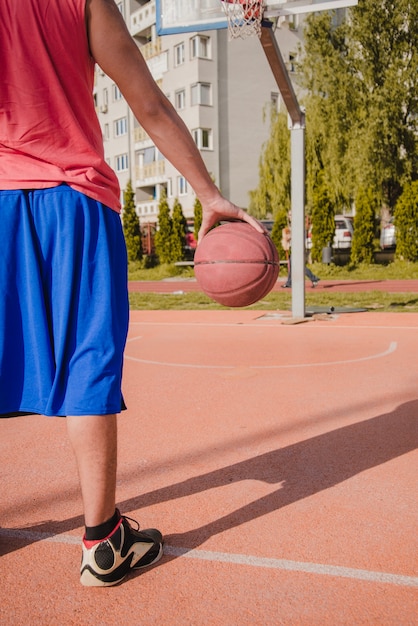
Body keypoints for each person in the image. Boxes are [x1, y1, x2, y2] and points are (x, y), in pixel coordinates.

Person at [0, 0, 264, 587]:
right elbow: (149, 102)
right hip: (74, 200)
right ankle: (103, 544)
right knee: (89, 363)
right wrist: (209, 194)